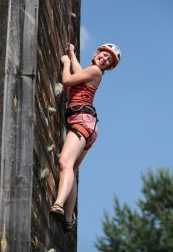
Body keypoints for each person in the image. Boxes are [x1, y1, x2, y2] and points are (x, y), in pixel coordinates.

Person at [50, 43, 121, 231]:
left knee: (64, 162)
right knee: (71, 170)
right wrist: (72, 54)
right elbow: (79, 72)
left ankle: (58, 204)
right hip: (89, 125)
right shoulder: (91, 72)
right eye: (104, 54)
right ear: (97, 53)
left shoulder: (96, 71)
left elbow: (67, 81)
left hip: (81, 122)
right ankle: (68, 219)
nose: (105, 59)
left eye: (108, 60)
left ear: (108, 66)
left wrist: (65, 62)